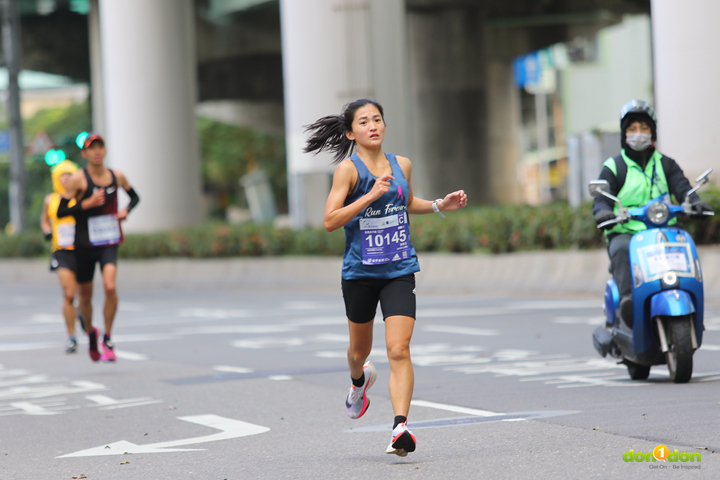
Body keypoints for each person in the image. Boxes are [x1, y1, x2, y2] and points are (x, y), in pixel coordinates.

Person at [305, 98, 467, 456]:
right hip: (360, 273)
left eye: (377, 119)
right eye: (363, 122)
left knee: (398, 348)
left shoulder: (402, 164)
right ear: (351, 133)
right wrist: (370, 195)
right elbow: (331, 221)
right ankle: (358, 382)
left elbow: (405, 202)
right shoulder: (348, 171)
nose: (372, 126)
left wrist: (440, 204)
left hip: (399, 268)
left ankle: (400, 428)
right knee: (358, 350)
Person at [592, 100, 711, 326]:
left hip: (665, 230)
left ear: (653, 132)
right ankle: (628, 302)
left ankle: (692, 298)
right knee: (619, 249)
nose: (639, 134)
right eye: (632, 129)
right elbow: (601, 197)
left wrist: (695, 201)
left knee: (686, 244)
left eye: (644, 129)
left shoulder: (666, 164)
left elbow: (682, 188)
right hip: (627, 231)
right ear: (624, 134)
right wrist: (603, 212)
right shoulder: (614, 166)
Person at [57, 133, 140, 362]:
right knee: (85, 297)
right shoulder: (78, 180)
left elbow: (135, 197)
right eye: (91, 148)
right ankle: (91, 334)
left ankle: (108, 336)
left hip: (109, 242)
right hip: (84, 245)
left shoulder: (117, 176)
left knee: (110, 287)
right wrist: (86, 204)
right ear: (84, 153)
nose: (96, 151)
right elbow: (61, 212)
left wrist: (125, 211)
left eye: (100, 147)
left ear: (104, 151)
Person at [40, 160, 83, 354]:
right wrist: (47, 231)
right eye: (62, 176)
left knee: (84, 294)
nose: (65, 179)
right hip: (62, 251)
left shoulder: (80, 197)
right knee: (69, 294)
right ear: (56, 179)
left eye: (69, 175)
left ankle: (83, 314)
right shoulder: (51, 200)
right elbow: (44, 221)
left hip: (82, 249)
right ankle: (72, 337)